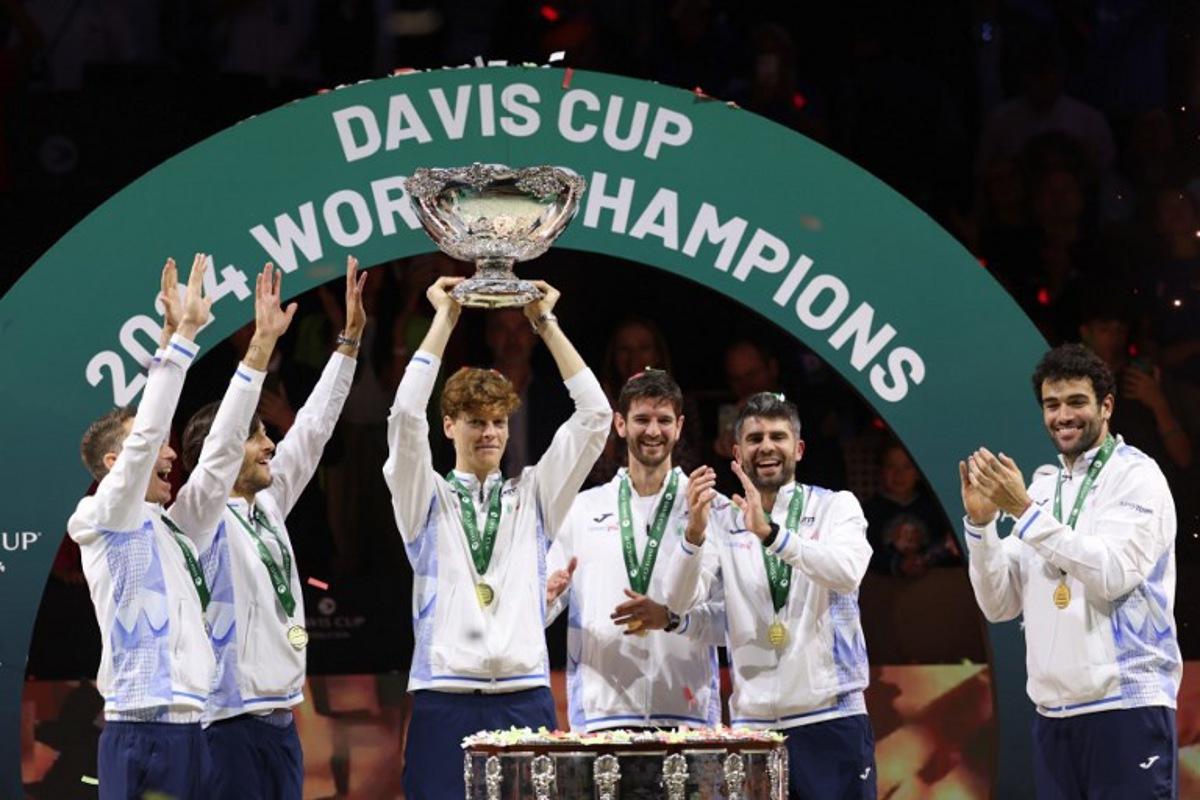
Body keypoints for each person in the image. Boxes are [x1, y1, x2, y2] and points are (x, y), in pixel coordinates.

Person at [383, 277, 611, 799]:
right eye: (475, 422)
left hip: (524, 694)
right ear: (449, 427)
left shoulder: (534, 495)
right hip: (445, 696)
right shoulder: (426, 498)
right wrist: (445, 318)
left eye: (497, 422)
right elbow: (402, 420)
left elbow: (596, 416)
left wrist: (544, 323)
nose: (489, 432)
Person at [178, 258, 365, 799]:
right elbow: (220, 452)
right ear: (217, 454)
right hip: (225, 726)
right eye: (254, 435)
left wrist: (348, 343)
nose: (269, 444)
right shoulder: (196, 518)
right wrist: (258, 348)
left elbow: (312, 428)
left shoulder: (269, 505)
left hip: (282, 724)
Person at [961, 343, 1180, 798]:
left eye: (1077, 402)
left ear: (1106, 406)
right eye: (1052, 404)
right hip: (1054, 713)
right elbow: (999, 605)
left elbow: (1113, 572)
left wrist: (1022, 511)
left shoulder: (1138, 476)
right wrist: (981, 528)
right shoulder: (1041, 489)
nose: (1063, 416)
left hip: (1127, 705)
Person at [665, 392, 877, 798]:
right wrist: (693, 533)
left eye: (778, 436)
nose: (766, 446)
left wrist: (773, 536)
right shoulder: (722, 521)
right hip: (753, 729)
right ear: (737, 452)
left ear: (798, 448)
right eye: (755, 437)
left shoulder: (836, 507)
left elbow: (847, 573)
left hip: (831, 719)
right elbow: (678, 602)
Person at [68, 255, 226, 799]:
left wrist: (167, 339)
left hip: (193, 726)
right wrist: (182, 339)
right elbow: (144, 434)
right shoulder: (103, 516)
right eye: (150, 445)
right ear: (114, 465)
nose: (169, 452)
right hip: (141, 728)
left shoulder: (168, 529)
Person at [545, 370, 723, 731]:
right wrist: (545, 597)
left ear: (680, 426)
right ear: (620, 424)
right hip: (602, 715)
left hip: (687, 715)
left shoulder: (709, 508)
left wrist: (694, 533)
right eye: (642, 419)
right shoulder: (582, 509)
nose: (653, 431)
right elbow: (541, 612)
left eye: (664, 420)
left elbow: (710, 612)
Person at [864, 441, 960, 577]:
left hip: (933, 585)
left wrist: (927, 560)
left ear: (918, 472)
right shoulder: (869, 511)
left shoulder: (933, 509)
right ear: (881, 470)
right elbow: (865, 553)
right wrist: (897, 564)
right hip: (885, 588)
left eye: (907, 467)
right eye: (891, 466)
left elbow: (947, 547)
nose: (899, 474)